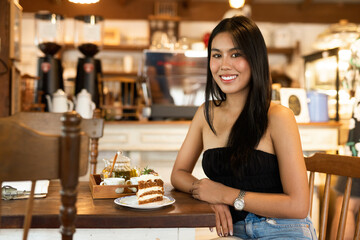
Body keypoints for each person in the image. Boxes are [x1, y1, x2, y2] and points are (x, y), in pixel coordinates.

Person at [170, 15, 317, 239]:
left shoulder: (279, 117)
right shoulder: (205, 113)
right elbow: (178, 174)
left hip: (283, 229)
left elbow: (298, 206)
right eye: (216, 55)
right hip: (233, 232)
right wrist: (207, 194)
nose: (224, 65)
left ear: (255, 59)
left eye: (236, 54)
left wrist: (225, 195)